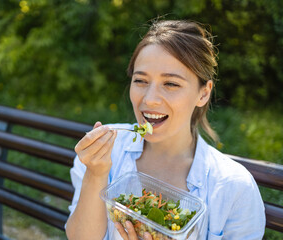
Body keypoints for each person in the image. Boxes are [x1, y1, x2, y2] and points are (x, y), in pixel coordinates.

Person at [65, 19, 265, 240]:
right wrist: (96, 174)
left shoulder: (233, 187)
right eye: (140, 80)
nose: (149, 100)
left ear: (203, 93)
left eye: (170, 84)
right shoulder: (106, 151)